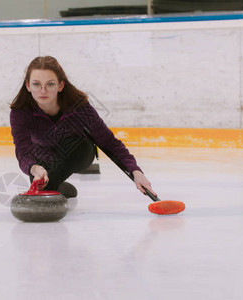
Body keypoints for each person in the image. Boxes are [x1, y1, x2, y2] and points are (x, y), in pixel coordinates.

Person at [9, 56, 156, 198]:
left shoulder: (78, 106)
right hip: (45, 158)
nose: (43, 90)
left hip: (79, 153)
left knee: (78, 146)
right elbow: (23, 151)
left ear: (60, 85)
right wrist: (34, 168)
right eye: (36, 84)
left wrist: (136, 171)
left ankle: (51, 186)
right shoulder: (20, 112)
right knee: (41, 179)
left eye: (50, 84)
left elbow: (109, 142)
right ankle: (58, 187)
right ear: (28, 85)